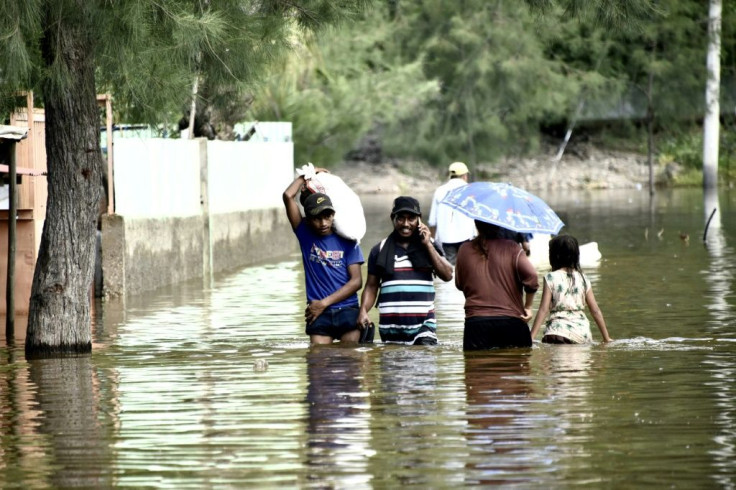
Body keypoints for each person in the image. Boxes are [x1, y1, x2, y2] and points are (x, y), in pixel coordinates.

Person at [358, 196, 453, 345]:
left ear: (419, 220)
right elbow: (371, 286)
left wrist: (427, 244)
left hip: (423, 328)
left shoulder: (431, 245)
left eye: (411, 219)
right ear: (393, 218)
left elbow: (447, 275)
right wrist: (363, 310)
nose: (406, 224)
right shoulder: (379, 250)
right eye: (401, 218)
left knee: (423, 356)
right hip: (390, 330)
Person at [283, 172, 365, 345]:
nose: (323, 223)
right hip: (318, 313)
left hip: (346, 309)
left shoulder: (348, 238)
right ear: (308, 219)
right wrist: (306, 175)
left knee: (350, 363)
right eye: (317, 218)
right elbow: (288, 196)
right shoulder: (305, 234)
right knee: (318, 365)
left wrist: (324, 303)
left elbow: (356, 281)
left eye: (327, 216)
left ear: (333, 215)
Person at [454, 220, 539, 350]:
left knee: (476, 368)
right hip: (512, 322)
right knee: (516, 367)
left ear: (476, 225)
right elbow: (532, 278)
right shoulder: (513, 248)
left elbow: (460, 284)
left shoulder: (464, 249)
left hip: (476, 325)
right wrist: (528, 306)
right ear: (499, 225)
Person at [530, 235, 612, 344]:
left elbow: (543, 310)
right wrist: (606, 338)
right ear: (576, 255)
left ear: (554, 256)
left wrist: (530, 337)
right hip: (580, 333)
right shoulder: (584, 279)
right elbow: (595, 310)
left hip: (555, 332)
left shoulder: (550, 277)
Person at [427, 161, 476, 265]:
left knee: (449, 273)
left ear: (450, 175)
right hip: (467, 239)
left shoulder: (440, 191)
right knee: (466, 269)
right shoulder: (471, 190)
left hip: (446, 240)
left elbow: (432, 222)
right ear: (464, 176)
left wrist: (432, 244)